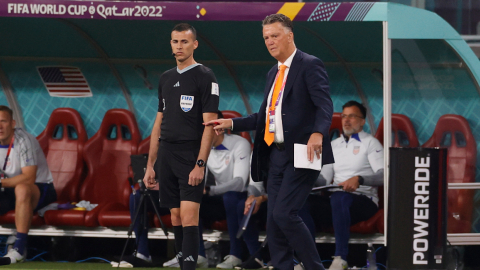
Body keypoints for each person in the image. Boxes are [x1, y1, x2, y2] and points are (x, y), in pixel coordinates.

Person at [205, 14, 334, 270]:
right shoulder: (272, 73)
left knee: (284, 214)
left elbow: (324, 105)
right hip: (275, 156)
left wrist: (318, 133)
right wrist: (231, 124)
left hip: (303, 152)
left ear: (290, 35)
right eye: (266, 38)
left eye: (275, 35)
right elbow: (263, 117)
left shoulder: (310, 64)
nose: (270, 41)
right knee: (274, 224)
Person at [143, 23, 219, 270]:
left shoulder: (206, 76)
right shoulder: (165, 78)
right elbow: (158, 123)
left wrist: (200, 164)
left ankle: (189, 265)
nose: (179, 46)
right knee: (175, 216)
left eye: (184, 42)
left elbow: (209, 125)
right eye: (175, 42)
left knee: (189, 217)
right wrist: (150, 164)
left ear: (194, 44)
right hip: (166, 153)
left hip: (190, 154)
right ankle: (182, 258)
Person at [314, 101, 384, 270]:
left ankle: (341, 258)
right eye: (344, 116)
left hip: (363, 200)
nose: (346, 120)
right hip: (337, 200)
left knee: (339, 198)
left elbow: (383, 176)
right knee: (302, 204)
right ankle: (306, 258)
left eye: (352, 116)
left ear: (362, 121)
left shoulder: (370, 143)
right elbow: (324, 179)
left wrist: (360, 179)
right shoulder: (333, 145)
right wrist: (305, 179)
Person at [0, 105, 57, 265]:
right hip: (8, 189)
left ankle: (19, 249)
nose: (0, 126)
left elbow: (28, 178)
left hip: (41, 188)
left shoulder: (24, 140)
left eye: (3, 121)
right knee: (17, 189)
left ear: (12, 123)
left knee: (22, 188)